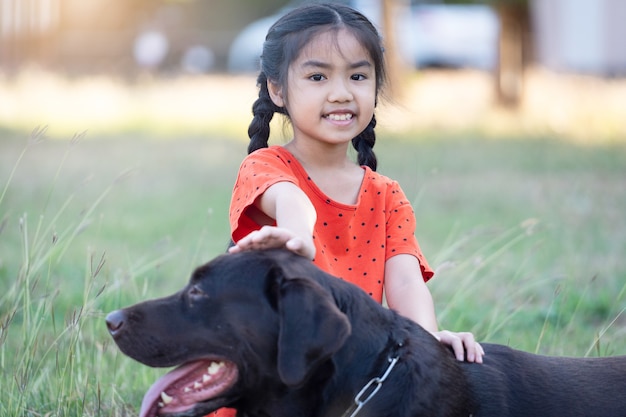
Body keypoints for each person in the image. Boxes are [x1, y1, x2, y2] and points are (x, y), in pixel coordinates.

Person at [216, 4, 484, 416]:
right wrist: (297, 239)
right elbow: (292, 200)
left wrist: (429, 345)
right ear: (277, 89)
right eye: (318, 76)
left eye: (358, 76)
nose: (341, 92)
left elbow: (407, 286)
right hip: (279, 376)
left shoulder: (386, 194)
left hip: (351, 377)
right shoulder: (265, 167)